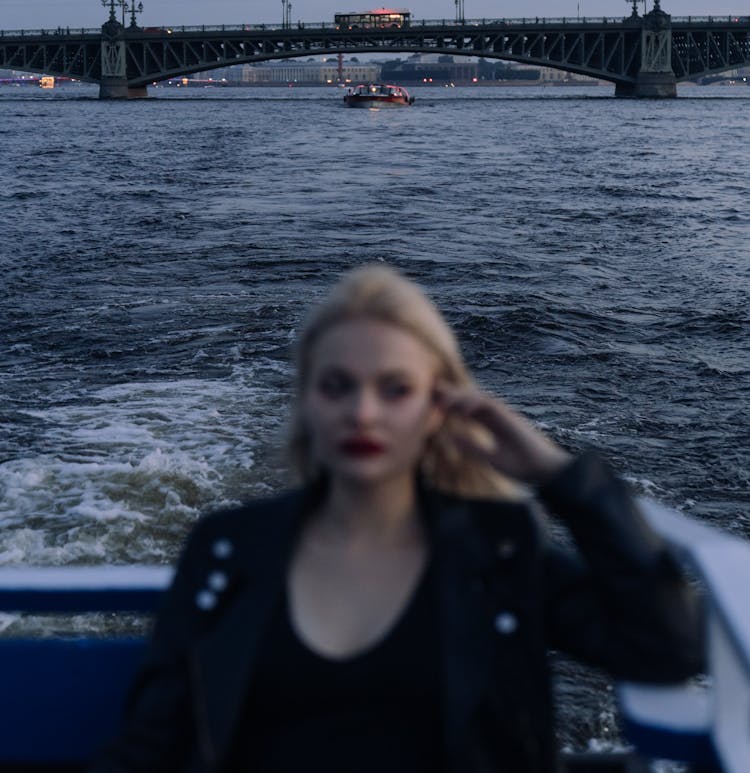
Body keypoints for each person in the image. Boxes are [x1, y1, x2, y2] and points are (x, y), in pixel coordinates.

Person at [92, 265, 703, 773]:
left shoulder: (498, 549)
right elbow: (150, 745)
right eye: (337, 386)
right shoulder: (229, 548)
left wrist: (555, 473)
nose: (363, 413)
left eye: (395, 389)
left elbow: (666, 648)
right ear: (306, 401)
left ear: (440, 407)